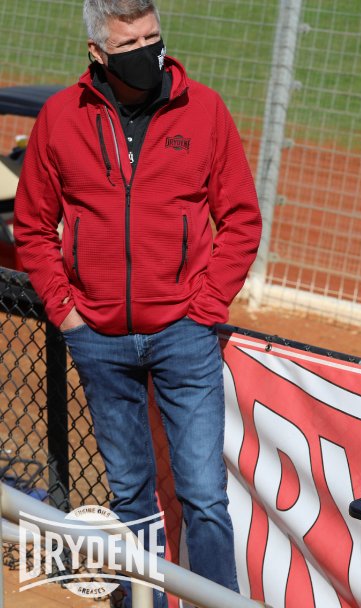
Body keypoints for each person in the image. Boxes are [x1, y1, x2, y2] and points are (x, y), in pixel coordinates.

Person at [14, 0, 262, 604]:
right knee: (129, 493)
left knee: (204, 493)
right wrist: (68, 315)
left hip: (184, 332)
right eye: (131, 45)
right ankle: (136, 600)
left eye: (154, 38)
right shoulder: (59, 119)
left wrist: (204, 308)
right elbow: (32, 227)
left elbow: (241, 220)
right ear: (97, 53)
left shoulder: (204, 111)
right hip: (96, 337)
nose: (148, 53)